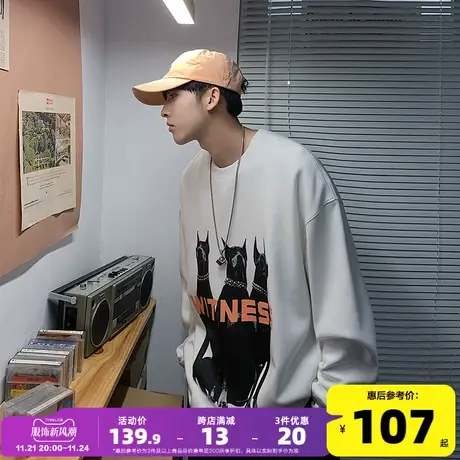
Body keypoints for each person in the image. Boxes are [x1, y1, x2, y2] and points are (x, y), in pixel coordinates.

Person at [133, 49, 378, 459]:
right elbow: (193, 290)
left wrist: (328, 415)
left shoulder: (294, 170)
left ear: (212, 97)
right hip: (207, 418)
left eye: (173, 96)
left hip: (286, 424)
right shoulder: (191, 177)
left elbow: (340, 304)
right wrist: (189, 361)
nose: (164, 110)